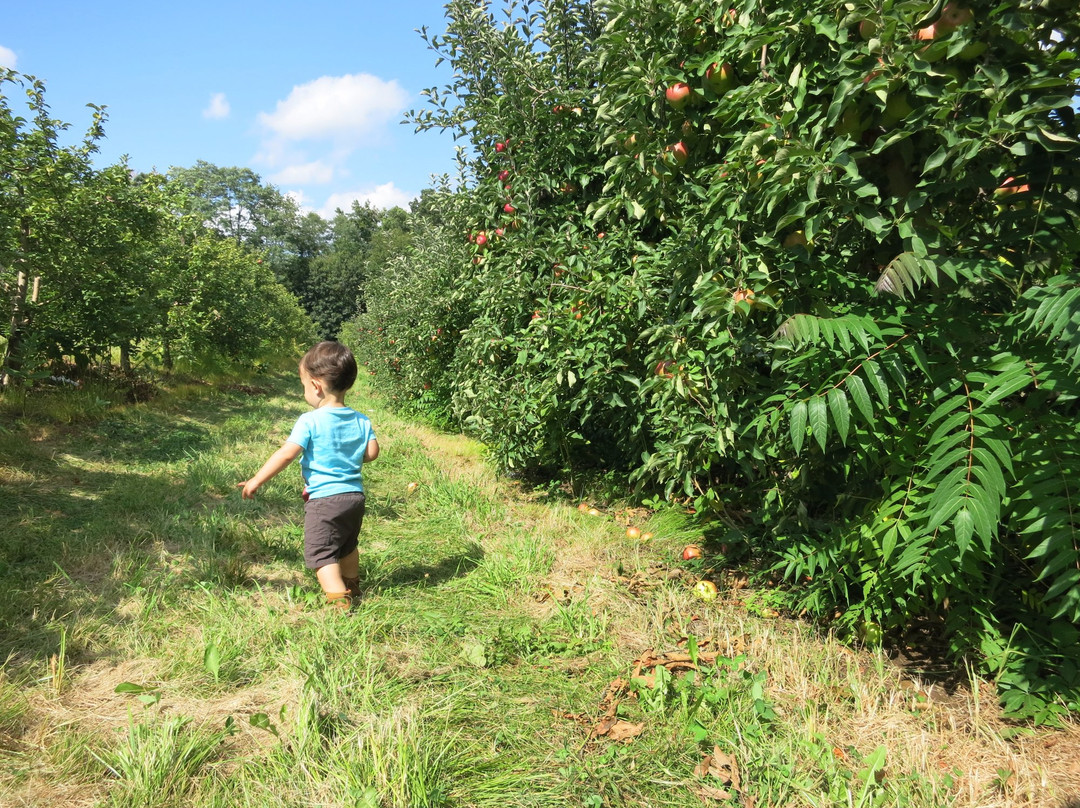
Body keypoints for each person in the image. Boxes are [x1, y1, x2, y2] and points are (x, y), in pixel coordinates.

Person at [238, 341, 379, 609]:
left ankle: (341, 603)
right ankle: (353, 585)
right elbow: (372, 453)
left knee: (322, 555)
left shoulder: (310, 420)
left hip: (325, 501)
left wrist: (256, 480)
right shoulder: (362, 419)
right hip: (354, 498)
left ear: (315, 386)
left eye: (303, 384)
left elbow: (286, 454)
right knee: (347, 546)